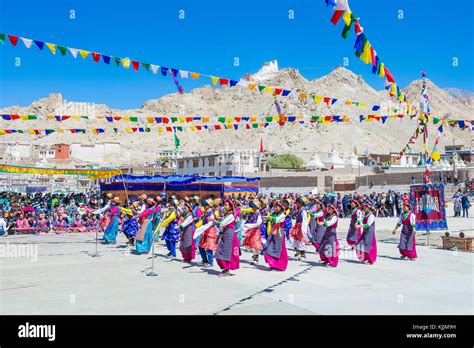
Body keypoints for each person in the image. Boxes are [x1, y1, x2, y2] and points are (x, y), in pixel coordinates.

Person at [215, 199, 240, 277]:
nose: (224, 206)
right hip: (225, 235)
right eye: (224, 205)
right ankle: (225, 268)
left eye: (226, 205)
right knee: (219, 252)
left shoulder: (231, 215)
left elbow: (223, 224)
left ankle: (226, 270)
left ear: (230, 207)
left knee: (227, 253)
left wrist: (216, 221)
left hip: (230, 236)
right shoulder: (226, 215)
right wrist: (219, 235)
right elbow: (223, 226)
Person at [263, 200, 288, 271]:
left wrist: (270, 218)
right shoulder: (274, 214)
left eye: (277, 207)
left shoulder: (282, 215)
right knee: (269, 248)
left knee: (279, 250)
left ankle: (279, 265)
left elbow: (278, 220)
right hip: (273, 233)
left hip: (279, 234)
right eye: (275, 207)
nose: (275, 208)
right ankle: (272, 264)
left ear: (281, 208)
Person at [195, 199, 219, 268]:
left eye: (206, 205)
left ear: (209, 205)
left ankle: (210, 262)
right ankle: (204, 260)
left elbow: (210, 223)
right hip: (205, 230)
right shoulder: (206, 212)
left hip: (210, 231)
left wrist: (200, 229)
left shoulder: (211, 213)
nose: (204, 206)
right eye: (204, 205)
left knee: (209, 247)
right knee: (200, 246)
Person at [241, 199, 264, 265]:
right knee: (248, 244)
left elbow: (258, 223)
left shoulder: (259, 214)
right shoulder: (252, 213)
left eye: (253, 206)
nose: (251, 208)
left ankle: (256, 257)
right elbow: (249, 221)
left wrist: (249, 225)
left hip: (256, 231)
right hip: (251, 231)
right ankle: (255, 256)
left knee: (255, 244)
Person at [289, 196, 309, 260]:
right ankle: (298, 251)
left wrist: (303, 230)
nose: (296, 204)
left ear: (301, 203)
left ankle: (303, 254)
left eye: (297, 203)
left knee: (301, 240)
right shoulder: (300, 210)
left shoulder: (303, 211)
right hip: (297, 227)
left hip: (301, 227)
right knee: (296, 239)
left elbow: (304, 221)